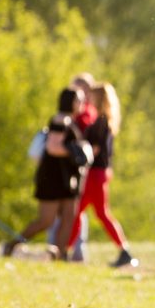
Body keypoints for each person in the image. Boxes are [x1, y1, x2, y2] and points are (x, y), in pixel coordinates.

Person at [58, 82, 134, 267]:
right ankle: (65, 250)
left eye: (91, 96)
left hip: (94, 174)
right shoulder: (104, 121)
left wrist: (75, 150)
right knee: (92, 213)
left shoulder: (100, 122)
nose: (88, 100)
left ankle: (64, 251)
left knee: (83, 212)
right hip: (99, 174)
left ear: (98, 98)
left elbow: (95, 150)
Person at [3, 88, 86, 257]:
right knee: (46, 220)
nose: (81, 104)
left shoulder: (70, 121)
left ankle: (60, 254)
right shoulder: (59, 120)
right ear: (69, 101)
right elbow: (52, 147)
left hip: (67, 178)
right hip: (53, 177)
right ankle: (12, 245)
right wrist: (74, 151)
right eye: (78, 100)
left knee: (69, 216)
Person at [48, 73, 97, 262]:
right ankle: (60, 249)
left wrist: (76, 151)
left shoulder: (87, 115)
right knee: (66, 212)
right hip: (65, 169)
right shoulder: (67, 118)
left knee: (74, 211)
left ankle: (68, 250)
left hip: (77, 169)